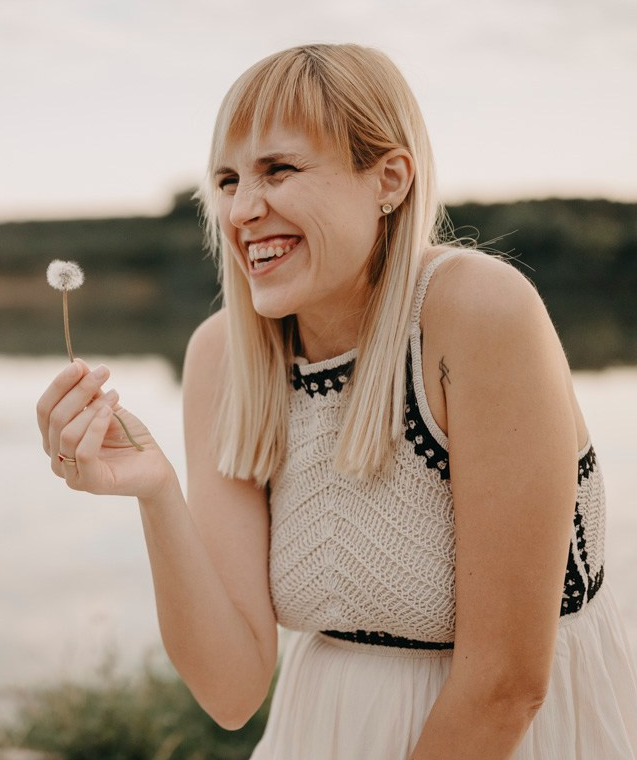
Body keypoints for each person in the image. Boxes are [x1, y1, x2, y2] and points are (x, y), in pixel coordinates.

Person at [36, 43, 637, 759]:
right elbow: (232, 694)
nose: (242, 210)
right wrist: (157, 493)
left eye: (279, 170)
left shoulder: (478, 312)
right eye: (226, 180)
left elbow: (506, 686)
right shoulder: (222, 356)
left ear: (388, 179)